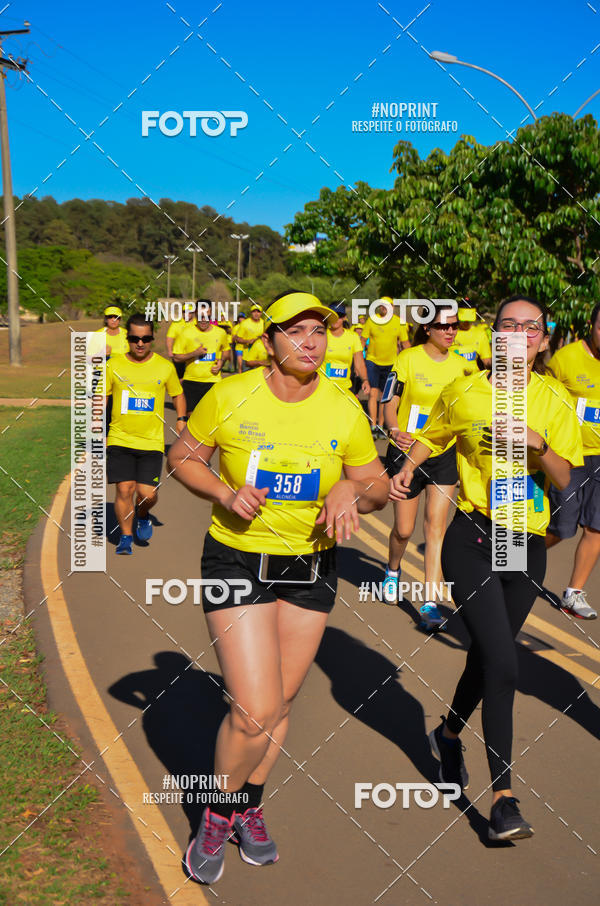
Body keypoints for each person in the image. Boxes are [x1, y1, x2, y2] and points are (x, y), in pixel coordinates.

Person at [167, 290, 388, 884]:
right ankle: (217, 814)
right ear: (268, 342)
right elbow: (181, 457)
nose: (310, 342)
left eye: (319, 331)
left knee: (280, 705)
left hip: (311, 566)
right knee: (253, 711)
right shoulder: (231, 395)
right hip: (237, 559)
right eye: (295, 331)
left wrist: (351, 490)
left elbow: (375, 484)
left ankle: (249, 805)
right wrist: (223, 492)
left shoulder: (343, 407)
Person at [391, 294, 583, 841]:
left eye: (530, 328)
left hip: (524, 544)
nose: (518, 335)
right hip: (474, 536)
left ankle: (448, 735)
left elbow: (566, 477)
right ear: (494, 336)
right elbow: (433, 434)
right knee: (504, 662)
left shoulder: (555, 399)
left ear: (543, 341)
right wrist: (407, 468)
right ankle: (504, 799)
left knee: (487, 656)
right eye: (508, 326)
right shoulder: (464, 390)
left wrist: (537, 444)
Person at [382, 304, 468, 624]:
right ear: (427, 328)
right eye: (443, 326)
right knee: (404, 530)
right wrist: (394, 428)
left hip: (443, 453)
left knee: (436, 527)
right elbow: (389, 401)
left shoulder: (462, 366)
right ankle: (392, 570)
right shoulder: (407, 358)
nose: (450, 331)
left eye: (454, 325)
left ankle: (430, 602)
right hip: (406, 450)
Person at [105, 313, 186, 555]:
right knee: (124, 489)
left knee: (147, 494)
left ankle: (142, 513)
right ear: (127, 338)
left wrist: (181, 419)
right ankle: (126, 537)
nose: (140, 343)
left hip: (151, 441)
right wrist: (96, 420)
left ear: (152, 339)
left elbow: (177, 394)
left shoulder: (164, 367)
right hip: (120, 437)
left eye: (145, 339)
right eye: (134, 339)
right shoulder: (114, 365)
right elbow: (102, 395)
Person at [544, 303, 600, 619]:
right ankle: (514, 559)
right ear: (591, 326)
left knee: (597, 527)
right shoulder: (565, 359)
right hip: (570, 455)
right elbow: (543, 400)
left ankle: (573, 593)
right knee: (561, 525)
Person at [361, 298, 410, 436]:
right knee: (373, 393)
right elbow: (362, 341)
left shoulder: (398, 322)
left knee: (385, 396)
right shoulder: (372, 320)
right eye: (382, 305)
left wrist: (414, 359)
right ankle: (373, 426)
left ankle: (381, 426)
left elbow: (405, 344)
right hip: (372, 361)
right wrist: (358, 360)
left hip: (391, 363)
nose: (385, 307)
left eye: (388, 305)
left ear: (393, 307)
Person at [171, 300, 229, 416]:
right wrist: (194, 354)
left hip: (213, 381)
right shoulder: (186, 333)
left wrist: (221, 362)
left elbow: (226, 350)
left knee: (210, 417)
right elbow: (176, 357)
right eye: (200, 316)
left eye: (207, 316)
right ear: (195, 315)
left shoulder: (220, 333)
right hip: (191, 381)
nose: (203, 319)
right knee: (192, 418)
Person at [321, 301, 370, 397]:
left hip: (345, 388)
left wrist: (365, 380)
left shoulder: (353, 337)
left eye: (339, 316)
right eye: (333, 315)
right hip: (323, 387)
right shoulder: (321, 335)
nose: (336, 319)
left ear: (344, 318)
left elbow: (359, 363)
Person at [166, 303, 195, 379]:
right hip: (179, 355)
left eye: (189, 312)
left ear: (193, 313)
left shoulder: (197, 323)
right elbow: (170, 337)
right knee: (179, 377)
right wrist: (170, 350)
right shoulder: (177, 323)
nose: (187, 314)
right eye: (185, 311)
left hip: (194, 355)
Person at [234, 304, 265, 373]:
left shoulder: (264, 323)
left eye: (258, 311)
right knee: (246, 376)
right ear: (251, 313)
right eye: (254, 311)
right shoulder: (245, 324)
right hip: (247, 357)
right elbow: (237, 338)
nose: (256, 314)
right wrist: (247, 341)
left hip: (261, 357)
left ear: (261, 313)